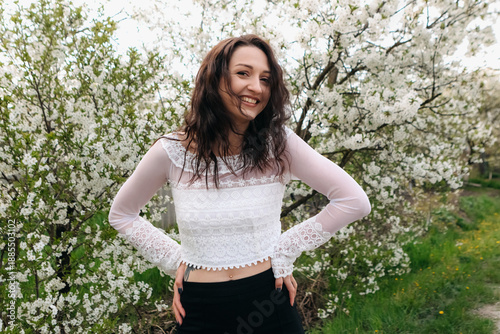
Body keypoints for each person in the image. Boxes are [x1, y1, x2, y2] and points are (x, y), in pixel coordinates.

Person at [108, 34, 371, 334]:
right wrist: (175, 260)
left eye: (266, 79)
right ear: (215, 78)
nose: (256, 87)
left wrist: (285, 250)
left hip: (269, 304)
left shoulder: (279, 145)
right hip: (199, 309)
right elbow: (122, 214)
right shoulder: (171, 151)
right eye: (243, 73)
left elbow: (353, 200)